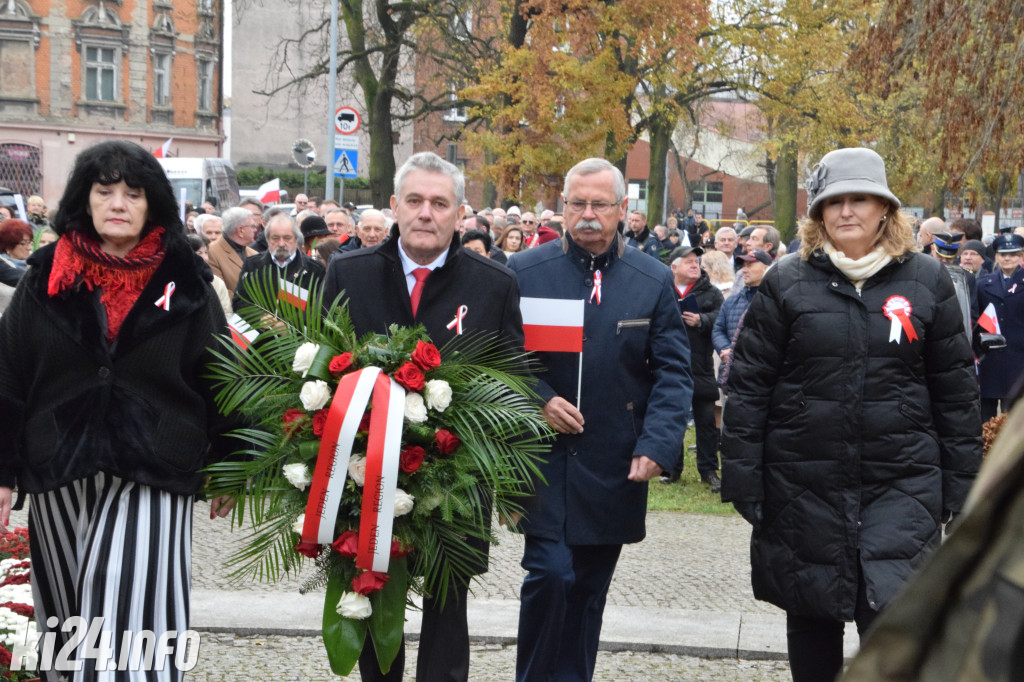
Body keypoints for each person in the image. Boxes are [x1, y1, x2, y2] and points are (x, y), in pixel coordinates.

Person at [721, 147, 981, 682]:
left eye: (859, 199)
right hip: (803, 484)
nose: (846, 212)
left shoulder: (927, 281)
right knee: (812, 619)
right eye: (833, 201)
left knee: (892, 624)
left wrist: (962, 487)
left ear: (885, 208)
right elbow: (749, 388)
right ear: (817, 213)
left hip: (902, 486)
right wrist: (744, 477)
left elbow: (955, 392)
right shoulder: (787, 281)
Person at [0, 139, 235, 680]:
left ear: (153, 203)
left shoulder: (188, 283)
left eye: (133, 193)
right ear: (86, 199)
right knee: (65, 622)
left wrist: (228, 465)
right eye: (105, 191)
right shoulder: (45, 277)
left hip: (154, 463)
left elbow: (222, 379)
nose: (118, 203)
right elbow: (8, 372)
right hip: (60, 464)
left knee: (131, 616)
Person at [324, 152, 523, 682]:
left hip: (455, 481)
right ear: (394, 206)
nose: (426, 214)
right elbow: (320, 373)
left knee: (447, 606)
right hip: (362, 476)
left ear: (460, 214)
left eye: (440, 203)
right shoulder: (347, 272)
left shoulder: (494, 284)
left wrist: (508, 488)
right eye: (414, 201)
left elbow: (510, 388)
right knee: (367, 596)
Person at [507, 157, 691, 681]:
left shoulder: (651, 279)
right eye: (577, 204)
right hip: (540, 457)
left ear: (622, 210)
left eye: (600, 205)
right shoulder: (524, 271)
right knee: (549, 573)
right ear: (563, 206)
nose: (588, 214)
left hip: (614, 459)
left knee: (587, 588)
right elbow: (501, 355)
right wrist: (540, 398)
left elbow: (674, 373)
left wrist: (658, 443)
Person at [661, 245, 724, 491]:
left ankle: (709, 470)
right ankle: (671, 468)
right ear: (673, 267)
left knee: (707, 421)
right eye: (687, 261)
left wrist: (702, 320)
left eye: (695, 260)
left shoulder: (712, 293)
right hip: (669, 364)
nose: (694, 264)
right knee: (672, 418)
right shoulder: (663, 290)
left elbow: (722, 319)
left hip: (701, 365)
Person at [233, 212, 325, 312]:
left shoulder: (315, 269)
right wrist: (261, 319)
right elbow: (239, 302)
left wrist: (289, 324)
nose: (281, 244)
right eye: (275, 238)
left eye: (287, 238)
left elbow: (319, 309)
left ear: (296, 239)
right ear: (267, 240)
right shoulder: (252, 266)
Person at [976, 233, 1024, 421]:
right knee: (986, 416)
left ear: (1021, 256)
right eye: (1003, 254)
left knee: (1013, 417)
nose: (1007, 258)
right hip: (991, 358)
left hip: (1019, 359)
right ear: (996, 256)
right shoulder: (983, 284)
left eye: (1013, 254)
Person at [206, 206, 259, 296]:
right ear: (240, 230)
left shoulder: (254, 254)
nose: (255, 229)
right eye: (252, 226)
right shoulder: (211, 252)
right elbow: (219, 292)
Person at [186, 233, 233, 317]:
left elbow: (227, 313)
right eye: (199, 253)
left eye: (206, 252)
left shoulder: (216, 282)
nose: (205, 257)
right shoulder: (175, 281)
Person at [0, 218, 33, 286]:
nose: (29, 248)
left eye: (30, 242)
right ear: (8, 245)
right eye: (23, 243)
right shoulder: (3, 266)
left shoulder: (34, 262)